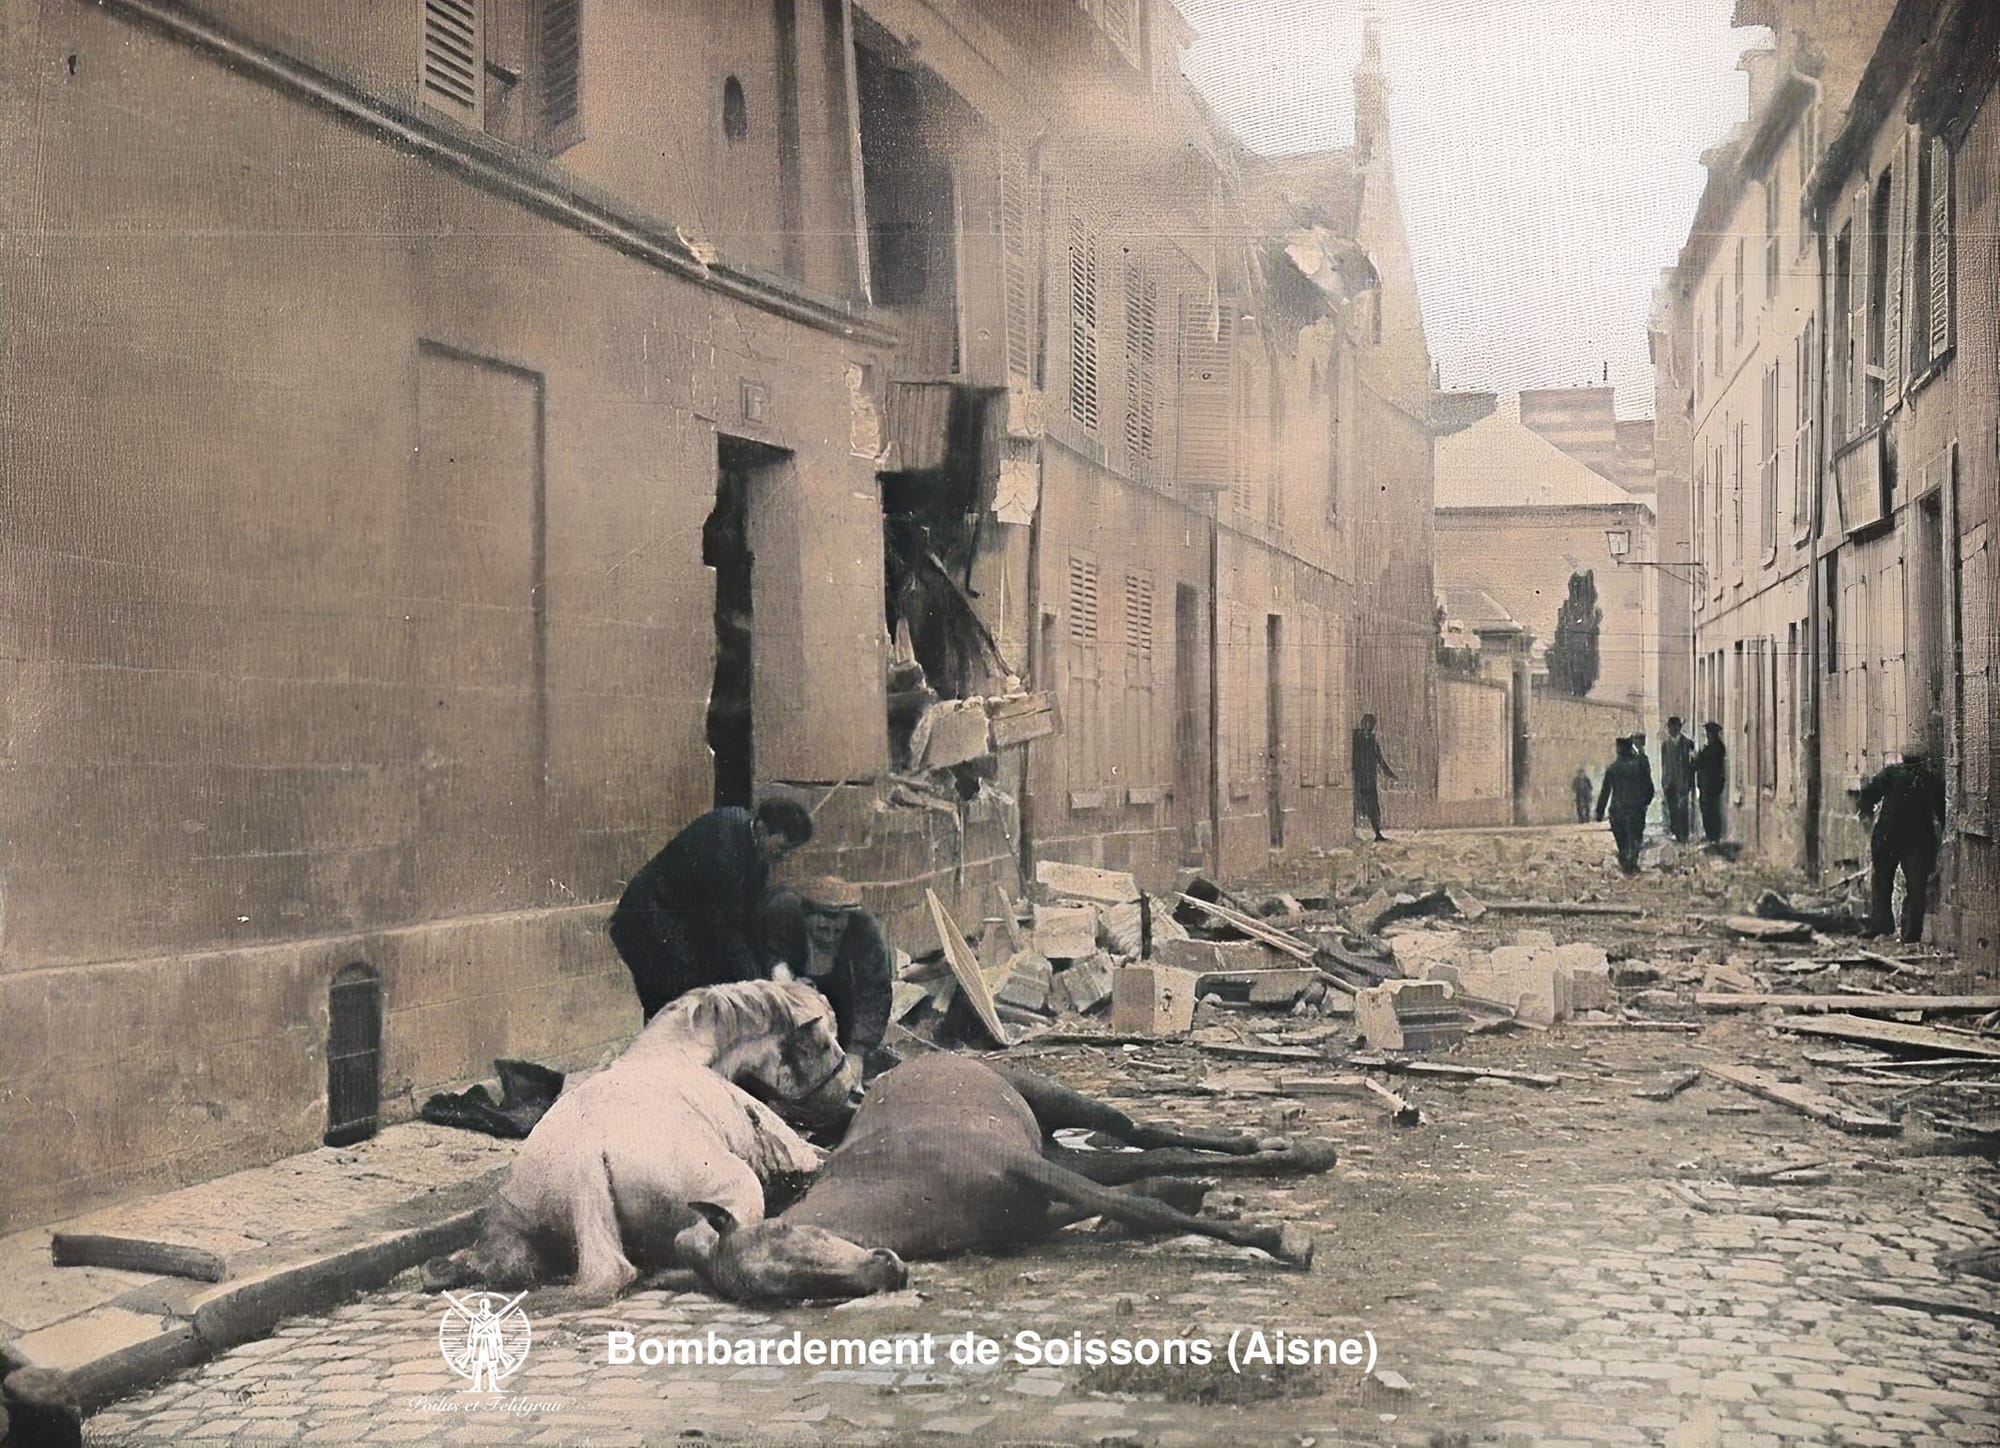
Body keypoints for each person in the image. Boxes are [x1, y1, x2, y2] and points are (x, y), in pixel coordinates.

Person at [608, 796, 815, 1021]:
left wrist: (772, 969)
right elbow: (727, 930)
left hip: (681, 922)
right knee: (678, 1006)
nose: (784, 858)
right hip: (648, 920)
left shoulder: (756, 852)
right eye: (782, 848)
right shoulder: (724, 844)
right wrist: (759, 986)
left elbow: (748, 924)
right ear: (764, 829)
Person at [756, 886, 895, 1070]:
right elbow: (765, 953)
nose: (829, 938)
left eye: (836, 931)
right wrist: (782, 976)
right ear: (805, 916)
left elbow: (874, 992)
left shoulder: (864, 929)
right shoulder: (783, 915)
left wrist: (857, 1051)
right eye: (822, 929)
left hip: (841, 1000)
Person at [1857, 743, 1947, 943]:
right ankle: (1910, 934)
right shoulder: (1929, 779)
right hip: (1916, 840)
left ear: (1903, 758)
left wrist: (1866, 814)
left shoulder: (1891, 774)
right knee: (1915, 888)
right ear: (1924, 761)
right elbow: (1942, 811)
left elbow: (1868, 796)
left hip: (1889, 837)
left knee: (1883, 883)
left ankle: (1883, 927)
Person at [1595, 736, 1656, 875]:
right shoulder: (1639, 766)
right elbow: (1649, 787)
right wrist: (1645, 802)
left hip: (1617, 810)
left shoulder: (1612, 768)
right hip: (1636, 809)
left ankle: (1625, 862)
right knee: (1635, 837)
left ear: (1618, 750)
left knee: (1622, 840)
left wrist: (1600, 811)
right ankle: (1632, 861)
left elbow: (1605, 792)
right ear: (1630, 749)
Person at [1351, 713, 1398, 841]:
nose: (1369, 727)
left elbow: (1380, 760)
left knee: (1373, 807)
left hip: (1369, 779)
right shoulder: (1356, 738)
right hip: (1359, 779)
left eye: (1371, 725)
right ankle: (1356, 831)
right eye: (1367, 724)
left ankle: (1377, 833)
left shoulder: (1370, 740)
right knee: (1357, 806)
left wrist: (1391, 774)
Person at [1660, 716, 1696, 844]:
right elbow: (1664, 764)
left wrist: (1690, 782)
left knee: (1683, 809)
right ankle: (1675, 832)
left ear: (1679, 728)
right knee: (1672, 809)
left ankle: (1684, 836)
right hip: (1670, 783)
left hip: (1683, 782)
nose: (1672, 730)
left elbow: (1692, 765)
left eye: (1675, 727)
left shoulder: (1688, 744)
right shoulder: (1665, 745)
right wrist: (1664, 782)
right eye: (1670, 727)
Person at [1693, 721, 1727, 845]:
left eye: (1710, 733)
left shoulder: (1717, 748)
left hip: (1712, 783)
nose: (1708, 735)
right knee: (1706, 809)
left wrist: (1698, 759)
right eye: (1708, 733)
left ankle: (1713, 836)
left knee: (1711, 810)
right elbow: (1698, 764)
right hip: (1705, 784)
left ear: (1715, 734)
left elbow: (1710, 765)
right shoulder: (1708, 747)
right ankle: (1710, 835)